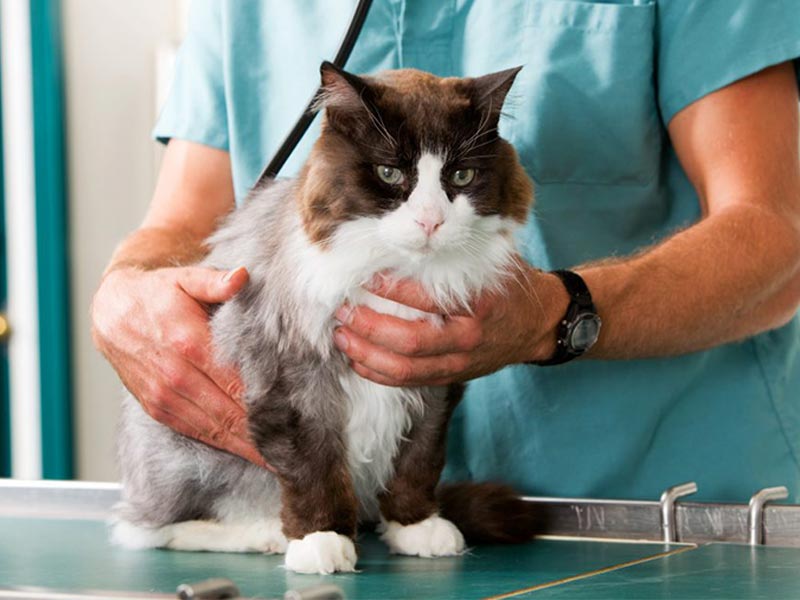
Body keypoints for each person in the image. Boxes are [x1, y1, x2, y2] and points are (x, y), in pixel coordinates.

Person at [91, 0, 800, 502]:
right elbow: (184, 222)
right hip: (348, 521)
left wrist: (552, 315)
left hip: (660, 513)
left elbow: (778, 234)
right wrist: (123, 292)